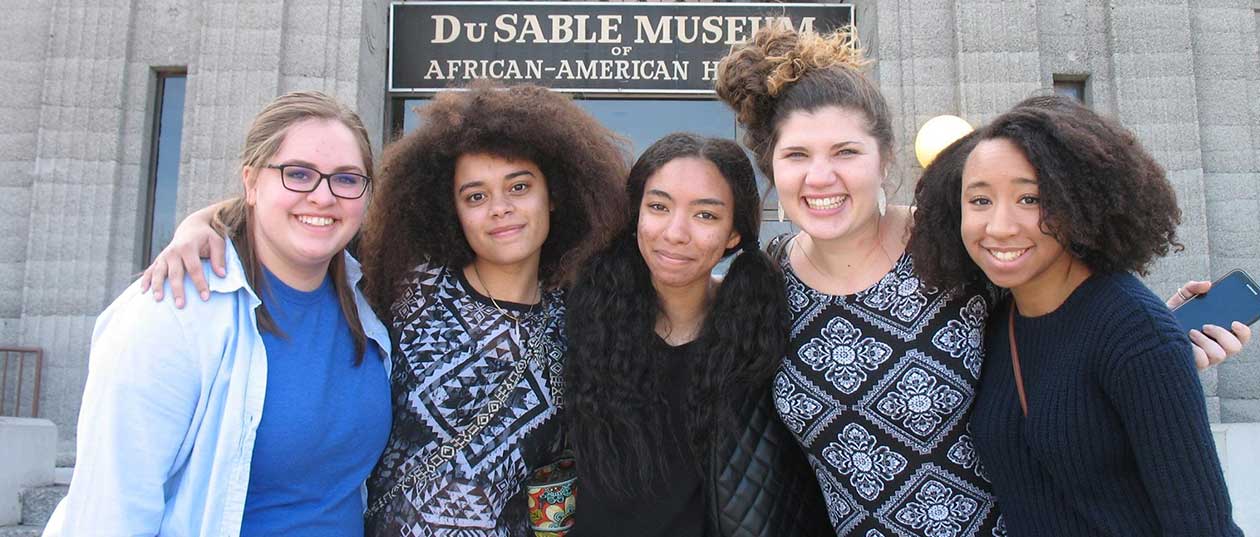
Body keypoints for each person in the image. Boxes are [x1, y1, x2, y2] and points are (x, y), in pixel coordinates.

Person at [714, 25, 1251, 536]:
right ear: (772, 168)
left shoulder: (956, 245)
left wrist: (1148, 344)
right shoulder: (762, 282)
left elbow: (1063, 320)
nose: (821, 176)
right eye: (797, 156)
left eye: (846, 152)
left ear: (885, 159)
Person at [140, 82, 628, 536]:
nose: (499, 208)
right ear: (450, 209)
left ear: (555, 195)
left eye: (519, 187)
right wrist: (200, 224)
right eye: (475, 196)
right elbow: (305, 216)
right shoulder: (404, 285)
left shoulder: (579, 321)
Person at [45, 91, 393, 536]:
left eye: (346, 179)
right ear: (251, 182)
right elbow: (111, 509)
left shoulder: (367, 299)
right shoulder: (173, 309)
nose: (323, 196)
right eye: (298, 174)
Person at [909, 95, 1242, 536]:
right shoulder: (994, 319)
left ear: (1078, 201)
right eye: (980, 201)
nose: (1000, 226)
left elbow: (1202, 526)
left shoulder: (1135, 331)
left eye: (1030, 198)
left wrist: (1150, 346)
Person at [564, 132, 830, 536]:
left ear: (734, 234)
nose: (675, 232)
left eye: (705, 215)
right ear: (636, 213)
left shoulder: (765, 333)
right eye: (658, 207)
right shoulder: (584, 318)